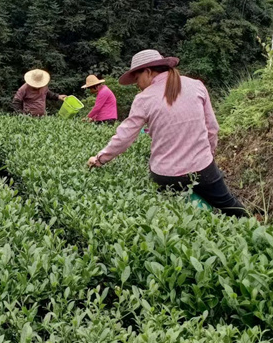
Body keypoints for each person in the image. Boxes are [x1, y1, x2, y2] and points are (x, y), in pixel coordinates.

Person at [87, 49, 248, 217]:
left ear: (148, 72)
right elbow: (212, 129)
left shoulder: (143, 99)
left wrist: (99, 158)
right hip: (203, 168)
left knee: (170, 217)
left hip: (165, 176)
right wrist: (207, 155)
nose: (137, 84)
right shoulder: (196, 85)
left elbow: (124, 137)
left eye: (137, 78)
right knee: (231, 207)